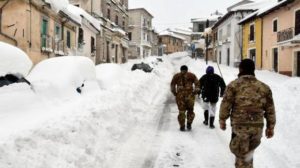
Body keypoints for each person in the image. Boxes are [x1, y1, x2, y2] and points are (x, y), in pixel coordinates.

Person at [219, 59, 276, 168]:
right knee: (248, 155)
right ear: (253, 70)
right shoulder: (264, 87)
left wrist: (222, 120)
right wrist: (270, 127)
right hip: (257, 128)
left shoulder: (233, 85)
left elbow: (226, 104)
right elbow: (270, 110)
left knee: (242, 157)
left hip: (240, 127)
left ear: (240, 69)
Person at [171, 65, 200, 131]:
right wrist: (195, 92)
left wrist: (175, 93)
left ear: (180, 69)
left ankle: (182, 126)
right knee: (190, 110)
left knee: (181, 111)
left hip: (180, 97)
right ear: (187, 69)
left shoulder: (177, 76)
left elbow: (172, 85)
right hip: (190, 96)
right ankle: (189, 124)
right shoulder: (192, 75)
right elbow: (197, 84)